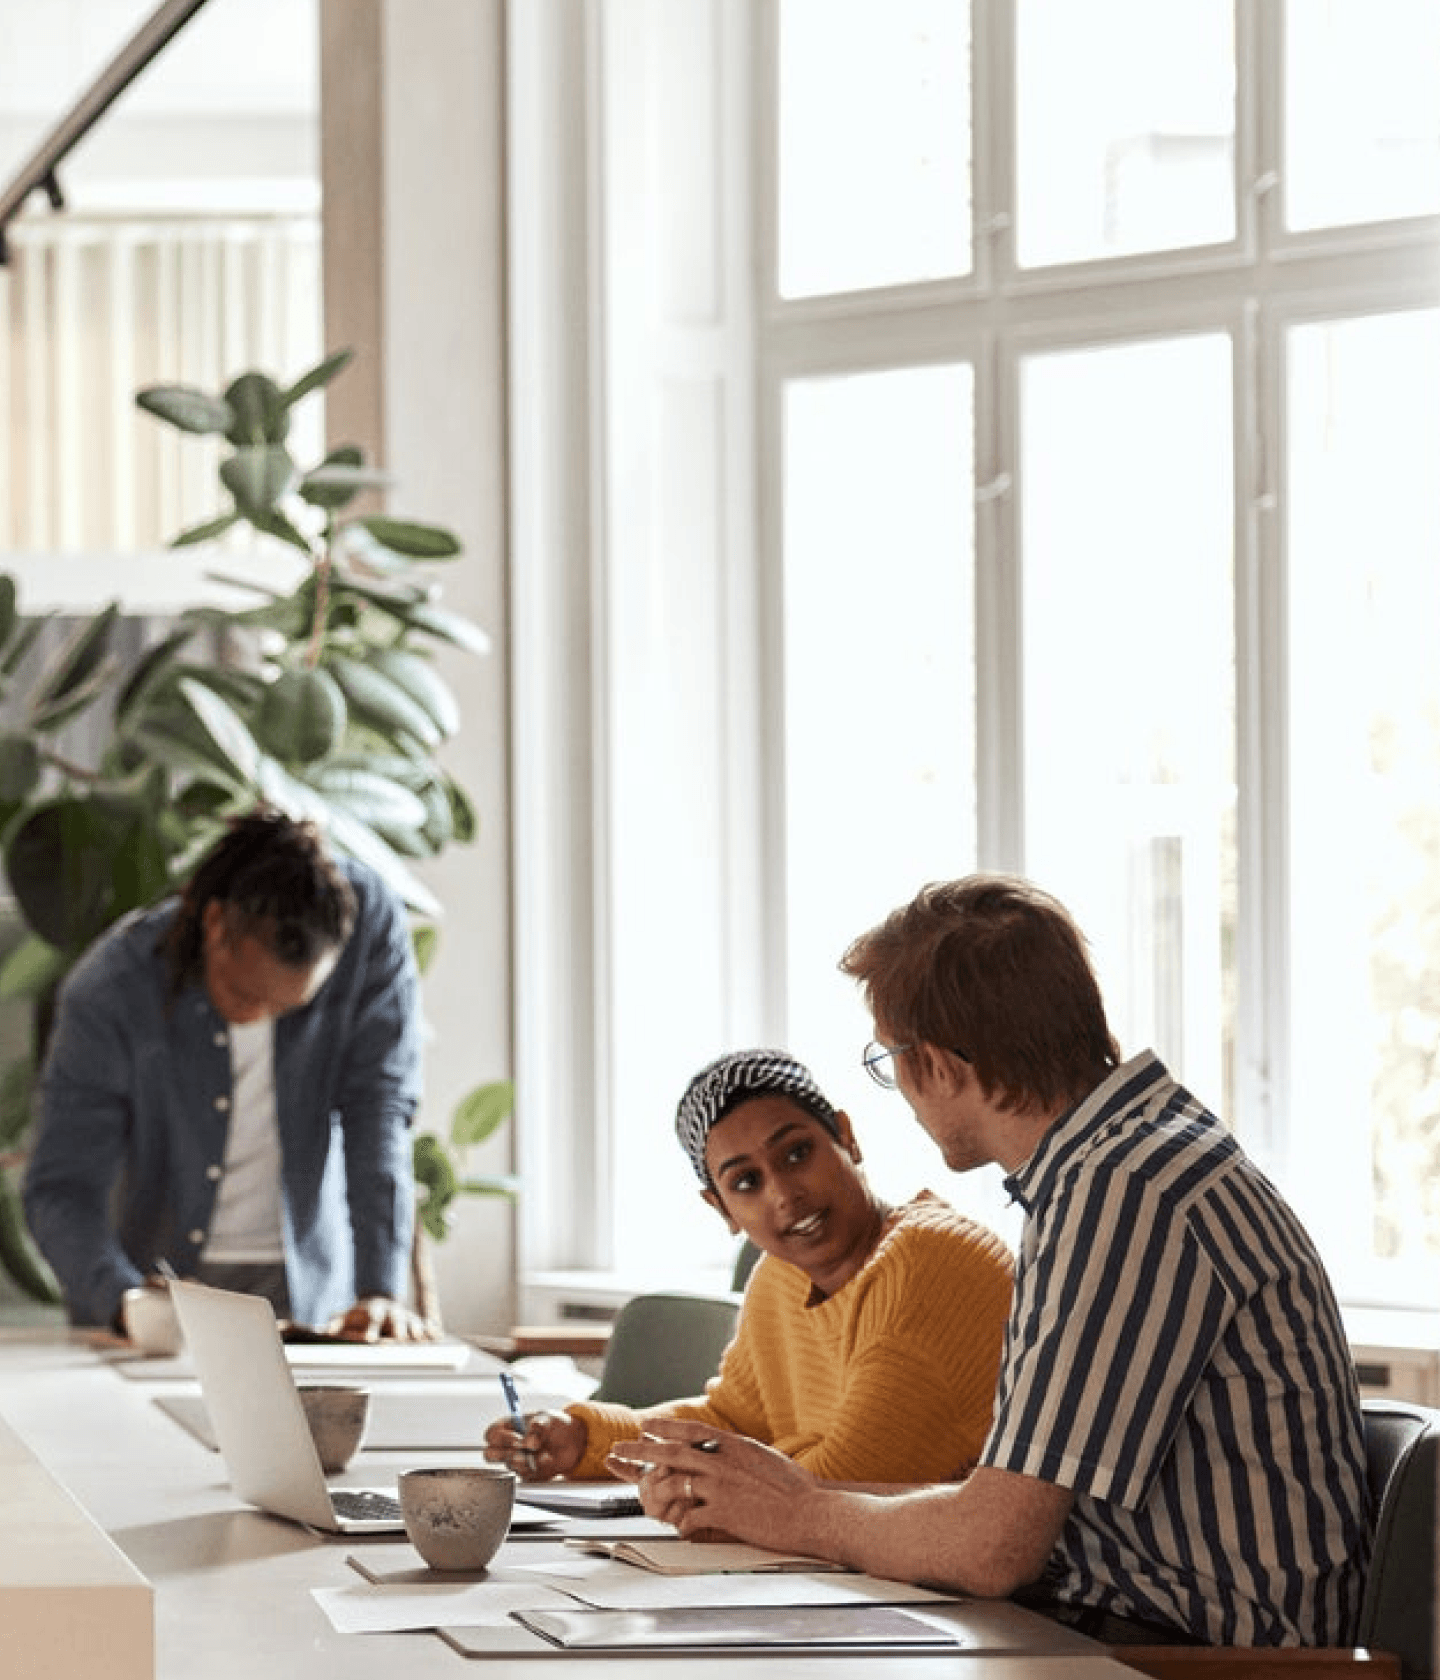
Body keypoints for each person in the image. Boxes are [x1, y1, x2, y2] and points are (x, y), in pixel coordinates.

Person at [611, 877, 1372, 1649]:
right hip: (1120, 1621)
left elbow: (992, 1549)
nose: (901, 1089)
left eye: (890, 1059)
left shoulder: (1121, 1192)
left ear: (938, 1066)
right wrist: (782, 1493)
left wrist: (797, 1510)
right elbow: (1003, 1507)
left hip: (1190, 1653)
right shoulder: (1121, 1163)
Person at [485, 1048, 1014, 1487]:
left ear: (846, 1137)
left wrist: (710, 1482)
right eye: (745, 1183)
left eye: (797, 1153)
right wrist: (584, 1440)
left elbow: (842, 1485)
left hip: (979, 1605)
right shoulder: (781, 1277)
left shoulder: (933, 1262)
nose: (784, 1194)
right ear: (721, 1209)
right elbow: (732, 1424)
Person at [23, 805, 428, 1342]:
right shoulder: (110, 990)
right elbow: (63, 1188)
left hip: (307, 1294)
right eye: (245, 995)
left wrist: (379, 1289)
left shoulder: (368, 928)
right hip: (157, 1298)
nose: (260, 1017)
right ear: (216, 925)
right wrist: (122, 1298)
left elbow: (378, 1105)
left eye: (289, 1009)